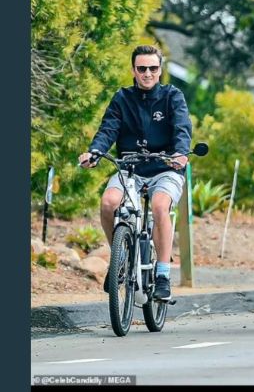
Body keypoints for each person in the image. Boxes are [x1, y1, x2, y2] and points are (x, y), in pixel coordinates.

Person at [78, 45, 192, 300]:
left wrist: (180, 153)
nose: (148, 73)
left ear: (160, 70)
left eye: (153, 68)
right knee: (109, 203)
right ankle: (120, 259)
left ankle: (162, 274)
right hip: (129, 169)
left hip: (166, 168)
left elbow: (182, 129)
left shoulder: (173, 96)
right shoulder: (122, 98)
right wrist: (94, 152)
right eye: (142, 69)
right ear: (133, 70)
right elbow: (107, 130)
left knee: (161, 206)